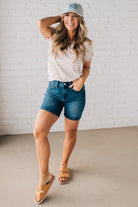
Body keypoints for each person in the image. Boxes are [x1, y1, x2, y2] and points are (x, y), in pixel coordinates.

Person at [33, 2, 94, 204]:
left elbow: (86, 67)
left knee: (70, 132)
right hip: (54, 91)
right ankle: (45, 176)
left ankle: (64, 165)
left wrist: (82, 80)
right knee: (39, 131)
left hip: (75, 92)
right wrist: (61, 17)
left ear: (80, 20)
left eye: (74, 16)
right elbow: (41, 22)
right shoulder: (53, 36)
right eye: (68, 16)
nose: (70, 19)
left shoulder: (86, 44)